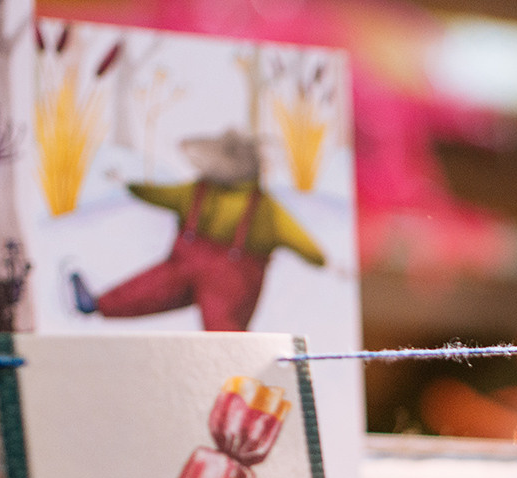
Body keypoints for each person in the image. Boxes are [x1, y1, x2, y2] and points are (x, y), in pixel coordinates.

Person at [68, 130, 325, 333]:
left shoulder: (266, 211)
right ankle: (98, 303)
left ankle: (236, 376)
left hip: (231, 283)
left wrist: (319, 258)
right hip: (183, 265)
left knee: (223, 330)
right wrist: (131, 186)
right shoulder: (197, 191)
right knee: (151, 286)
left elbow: (303, 242)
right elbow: (164, 195)